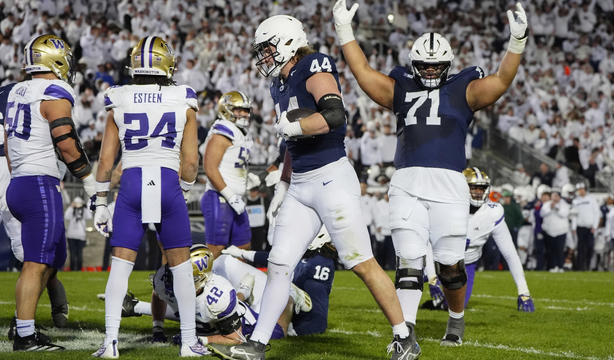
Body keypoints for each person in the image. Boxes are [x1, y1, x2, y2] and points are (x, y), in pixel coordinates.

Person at [209, 14, 418, 360]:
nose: (264, 57)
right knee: (279, 263)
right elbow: (292, 146)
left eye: (268, 49)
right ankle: (257, 344)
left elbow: (335, 115)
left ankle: (404, 337)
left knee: (360, 261)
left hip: (332, 178)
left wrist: (298, 127)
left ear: (288, 42)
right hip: (302, 184)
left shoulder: (314, 64)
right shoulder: (278, 82)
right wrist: (282, 186)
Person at [333, 0, 529, 347]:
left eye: (437, 66)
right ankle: (405, 332)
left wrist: (517, 42)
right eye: (425, 65)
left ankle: (456, 320)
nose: (430, 71)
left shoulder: (464, 88)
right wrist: (344, 31)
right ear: (414, 63)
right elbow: (363, 74)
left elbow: (500, 80)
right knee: (409, 261)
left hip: (449, 182)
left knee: (450, 265)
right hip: (407, 180)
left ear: (448, 65)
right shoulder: (401, 87)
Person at [91, 36, 208, 357]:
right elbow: (190, 164)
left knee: (120, 265)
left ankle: (110, 343)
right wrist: (181, 191)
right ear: (166, 65)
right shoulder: (182, 97)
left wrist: (101, 201)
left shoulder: (120, 97)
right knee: (181, 267)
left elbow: (105, 161)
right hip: (168, 181)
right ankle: (188, 343)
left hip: (131, 182)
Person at [5, 34, 96, 351]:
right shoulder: (54, 90)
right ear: (54, 60)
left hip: (20, 182)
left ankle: (22, 324)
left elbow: (7, 140)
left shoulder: (17, 90)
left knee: (52, 257)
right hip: (38, 184)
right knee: (36, 263)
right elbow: (67, 144)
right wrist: (89, 179)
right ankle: (25, 335)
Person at [109, 245, 310, 345]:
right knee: (193, 313)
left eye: (188, 276)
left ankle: (289, 294)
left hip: (244, 323)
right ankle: (244, 292)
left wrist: (202, 340)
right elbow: (158, 293)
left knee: (278, 332)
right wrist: (158, 330)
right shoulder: (166, 276)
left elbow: (236, 339)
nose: (181, 279)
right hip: (211, 313)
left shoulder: (218, 294)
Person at [423, 168, 534, 311]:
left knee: (456, 306)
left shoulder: (492, 212)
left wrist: (524, 292)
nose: (478, 192)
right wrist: (432, 276)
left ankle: (437, 303)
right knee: (410, 277)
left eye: (481, 188)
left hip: (467, 262)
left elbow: (510, 253)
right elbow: (427, 243)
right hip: (436, 258)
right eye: (473, 187)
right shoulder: (445, 208)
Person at [201, 91, 253, 259]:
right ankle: (205, 284)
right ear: (226, 110)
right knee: (216, 248)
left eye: (246, 110)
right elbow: (210, 168)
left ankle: (236, 284)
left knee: (243, 247)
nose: (244, 114)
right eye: (239, 110)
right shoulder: (223, 131)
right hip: (220, 197)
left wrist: (248, 179)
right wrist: (230, 196)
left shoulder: (240, 132)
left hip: (236, 198)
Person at [571, 182, 601, 271]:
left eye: (582, 189)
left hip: (590, 228)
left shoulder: (592, 199)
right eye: (579, 190)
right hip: (580, 227)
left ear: (585, 189)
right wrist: (573, 227)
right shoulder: (575, 201)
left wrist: (595, 226)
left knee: (590, 247)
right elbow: (574, 215)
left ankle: (588, 265)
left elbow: (596, 213)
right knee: (581, 248)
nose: (581, 191)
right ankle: (580, 267)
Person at [540, 189, 570, 272]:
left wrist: (556, 208)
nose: (554, 197)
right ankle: (552, 266)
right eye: (553, 195)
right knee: (551, 250)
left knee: (559, 250)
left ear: (559, 197)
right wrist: (550, 208)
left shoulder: (564, 204)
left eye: (556, 196)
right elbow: (542, 214)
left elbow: (564, 214)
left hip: (561, 231)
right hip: (549, 231)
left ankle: (560, 266)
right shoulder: (547, 204)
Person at [64, 197, 92, 271]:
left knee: (79, 254)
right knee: (72, 254)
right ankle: (72, 269)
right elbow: (66, 216)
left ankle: (79, 269)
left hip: (81, 236)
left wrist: (84, 207)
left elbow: (89, 216)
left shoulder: (84, 210)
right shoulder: (71, 210)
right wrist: (71, 206)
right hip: (71, 235)